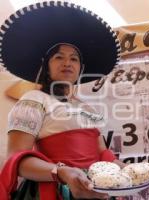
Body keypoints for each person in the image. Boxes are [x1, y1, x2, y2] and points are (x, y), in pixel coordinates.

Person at [0, 1, 123, 199]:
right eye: (58, 57)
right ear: (46, 65)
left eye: (74, 58)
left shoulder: (87, 108)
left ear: (80, 68)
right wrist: (61, 172)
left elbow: (102, 153)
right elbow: (16, 159)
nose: (67, 62)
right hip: (56, 192)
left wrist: (123, 169)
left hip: (96, 190)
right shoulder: (33, 100)